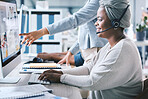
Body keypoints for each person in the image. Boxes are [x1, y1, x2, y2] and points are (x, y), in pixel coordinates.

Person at [38, 0, 143, 99]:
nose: (96, 23)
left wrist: (61, 78)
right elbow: (89, 68)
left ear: (115, 23)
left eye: (100, 19)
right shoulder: (112, 45)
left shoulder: (122, 50)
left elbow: (93, 82)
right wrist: (60, 73)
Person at [19, 0, 107, 66]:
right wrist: (71, 52)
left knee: (96, 86)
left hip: (95, 50)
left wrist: (42, 32)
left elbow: (75, 20)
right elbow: (86, 31)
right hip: (90, 50)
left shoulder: (97, 1)